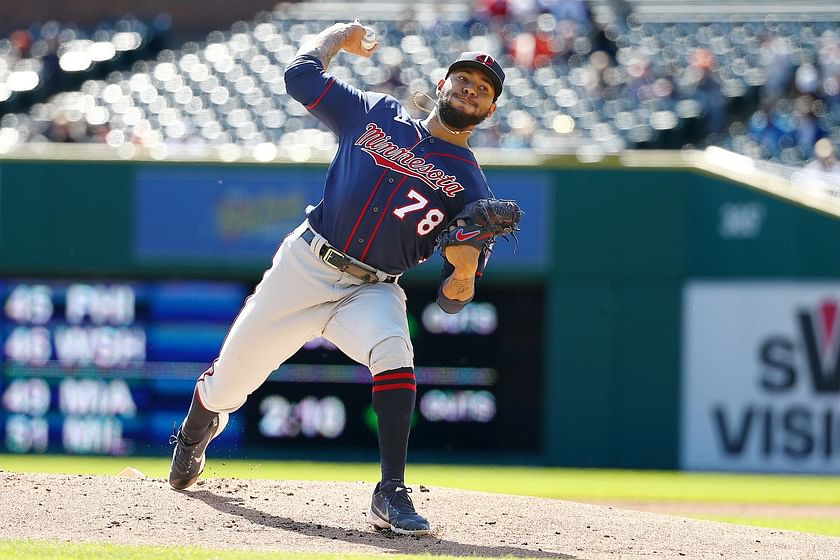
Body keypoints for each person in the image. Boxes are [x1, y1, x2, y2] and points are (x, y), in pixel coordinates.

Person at [168, 20, 508, 536]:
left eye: (482, 89)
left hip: (371, 288)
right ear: (440, 85)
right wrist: (336, 36)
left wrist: (463, 268)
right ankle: (196, 432)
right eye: (463, 79)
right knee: (227, 384)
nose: (470, 89)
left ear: (490, 110)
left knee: (395, 351)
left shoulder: (472, 188)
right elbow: (300, 76)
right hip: (305, 266)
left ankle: (391, 492)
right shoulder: (378, 112)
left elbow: (455, 302)